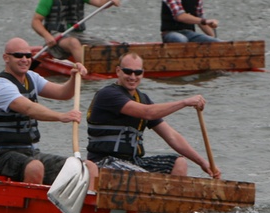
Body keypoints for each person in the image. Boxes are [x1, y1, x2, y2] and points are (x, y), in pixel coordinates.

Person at [0, 37, 99, 187]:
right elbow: (29, 108)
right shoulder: (0, 86)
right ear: (6, 58)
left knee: (88, 168)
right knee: (35, 167)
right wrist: (61, 116)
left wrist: (74, 77)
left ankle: (88, 207)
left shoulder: (31, 77)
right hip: (0, 157)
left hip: (30, 153)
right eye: (19, 55)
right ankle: (29, 207)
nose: (24, 59)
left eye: (28, 55)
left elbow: (63, 93)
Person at [86, 53, 221, 179]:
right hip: (104, 161)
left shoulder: (143, 98)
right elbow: (148, 113)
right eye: (128, 71)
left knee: (179, 163)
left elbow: (172, 136)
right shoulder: (108, 94)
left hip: (134, 161)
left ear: (142, 74)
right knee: (144, 177)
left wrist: (202, 162)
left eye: (137, 72)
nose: (133, 77)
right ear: (118, 71)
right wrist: (184, 102)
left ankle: (169, 202)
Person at [31, 0, 122, 64]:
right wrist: (47, 36)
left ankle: (113, 68)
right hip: (57, 36)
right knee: (73, 43)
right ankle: (84, 72)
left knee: (105, 45)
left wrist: (110, 0)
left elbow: (99, 1)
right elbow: (36, 21)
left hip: (78, 35)